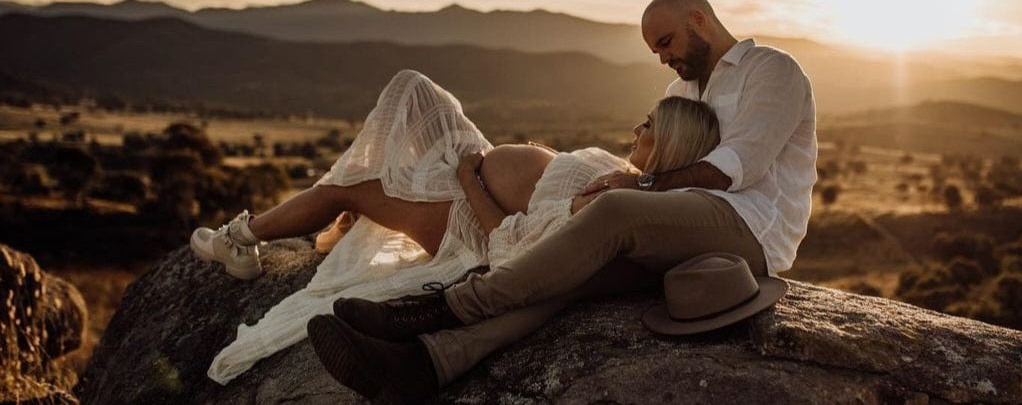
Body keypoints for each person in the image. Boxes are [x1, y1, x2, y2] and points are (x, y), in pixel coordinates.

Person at [311, 0, 818, 403]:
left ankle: (443, 308)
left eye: (666, 42)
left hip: (751, 227)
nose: (663, 58)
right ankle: (427, 364)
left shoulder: (771, 71)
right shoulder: (681, 93)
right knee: (571, 273)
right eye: (656, 51)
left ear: (698, 20)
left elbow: (736, 168)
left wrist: (635, 186)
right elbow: (659, 161)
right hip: (681, 227)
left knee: (619, 208)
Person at [190, 67, 722, 383]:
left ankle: (240, 239)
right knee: (412, 89)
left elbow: (512, 249)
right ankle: (339, 225)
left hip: (464, 217)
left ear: (672, 143)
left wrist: (471, 179)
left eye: (648, 125)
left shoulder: (614, 205)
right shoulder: (627, 180)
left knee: (349, 187)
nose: (636, 126)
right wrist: (533, 156)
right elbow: (544, 189)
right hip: (475, 172)